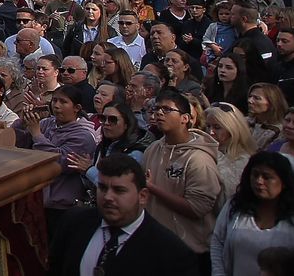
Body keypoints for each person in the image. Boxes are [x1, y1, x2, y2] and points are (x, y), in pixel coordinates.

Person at [47, 153, 196, 276]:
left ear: (142, 196)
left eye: (119, 190)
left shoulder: (170, 250)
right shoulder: (74, 222)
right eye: (103, 188)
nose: (108, 197)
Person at [144, 88, 225, 266]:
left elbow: (197, 208)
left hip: (189, 250)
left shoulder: (199, 159)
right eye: (156, 109)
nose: (158, 113)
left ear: (185, 118)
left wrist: (153, 189)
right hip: (155, 246)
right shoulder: (153, 149)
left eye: (166, 109)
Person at [209, 151, 294, 276]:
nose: (259, 181)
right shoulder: (236, 206)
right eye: (255, 175)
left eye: (267, 177)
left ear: (284, 182)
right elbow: (218, 241)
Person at [17, 86, 102, 235]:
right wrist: (23, 122)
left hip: (61, 205)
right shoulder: (46, 123)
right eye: (54, 100)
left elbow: (60, 163)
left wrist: (37, 135)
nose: (56, 106)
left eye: (63, 102)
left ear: (76, 108)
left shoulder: (83, 136)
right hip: (36, 198)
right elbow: (21, 144)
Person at [204, 104, 259, 204]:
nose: (210, 132)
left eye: (217, 127)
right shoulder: (203, 150)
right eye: (208, 126)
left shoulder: (244, 159)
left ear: (232, 128)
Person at [248, 84, 289, 151]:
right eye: (250, 96)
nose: (250, 100)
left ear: (272, 102)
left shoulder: (280, 130)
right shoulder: (242, 121)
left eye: (257, 98)